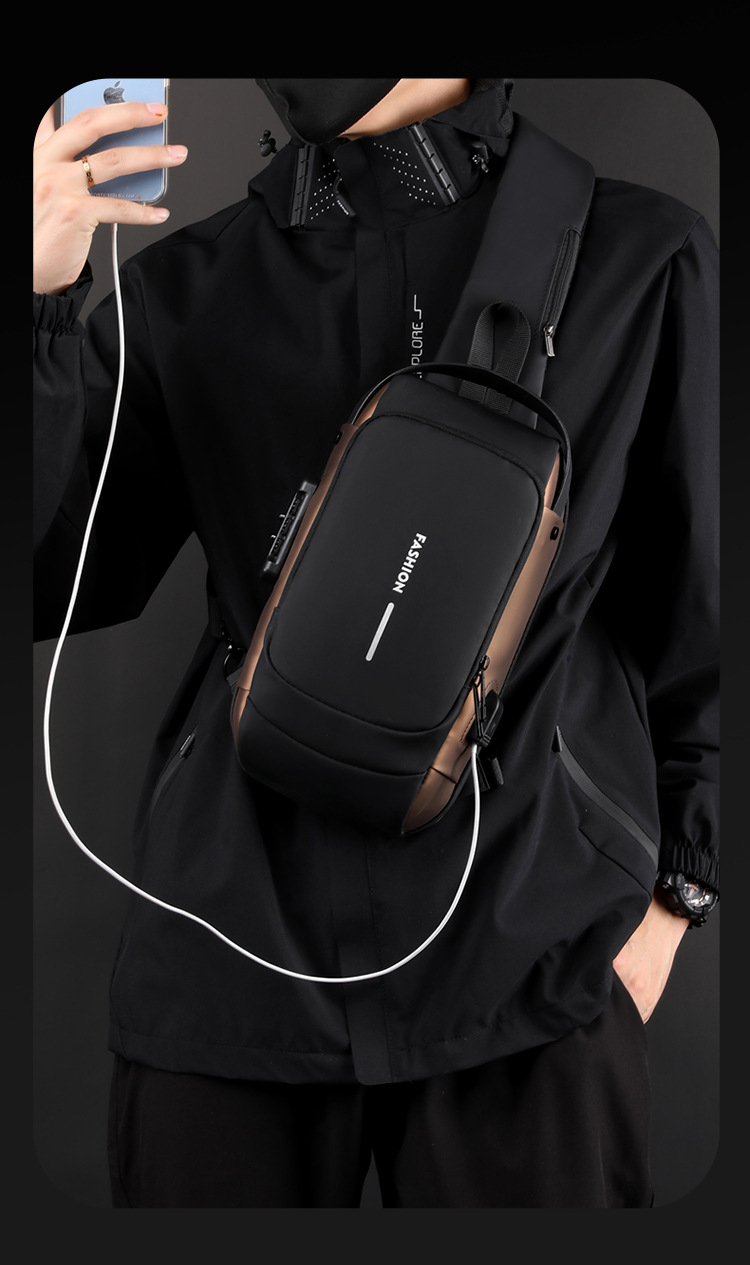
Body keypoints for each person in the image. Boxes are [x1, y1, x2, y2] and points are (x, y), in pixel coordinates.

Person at [33, 78, 719, 1208]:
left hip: (530, 955)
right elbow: (56, 578)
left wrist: (675, 897)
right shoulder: (187, 287)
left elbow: (703, 611)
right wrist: (46, 302)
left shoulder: (639, 254)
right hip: (230, 959)